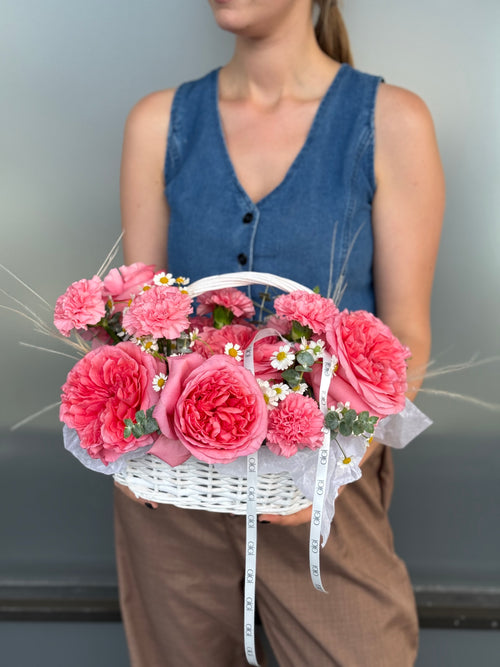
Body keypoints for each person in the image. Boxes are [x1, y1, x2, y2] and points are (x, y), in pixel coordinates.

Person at [114, 1, 445, 665]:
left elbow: (406, 332)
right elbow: (141, 323)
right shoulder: (159, 123)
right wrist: (124, 431)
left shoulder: (390, 122)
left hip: (324, 492)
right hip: (175, 492)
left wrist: (334, 467)